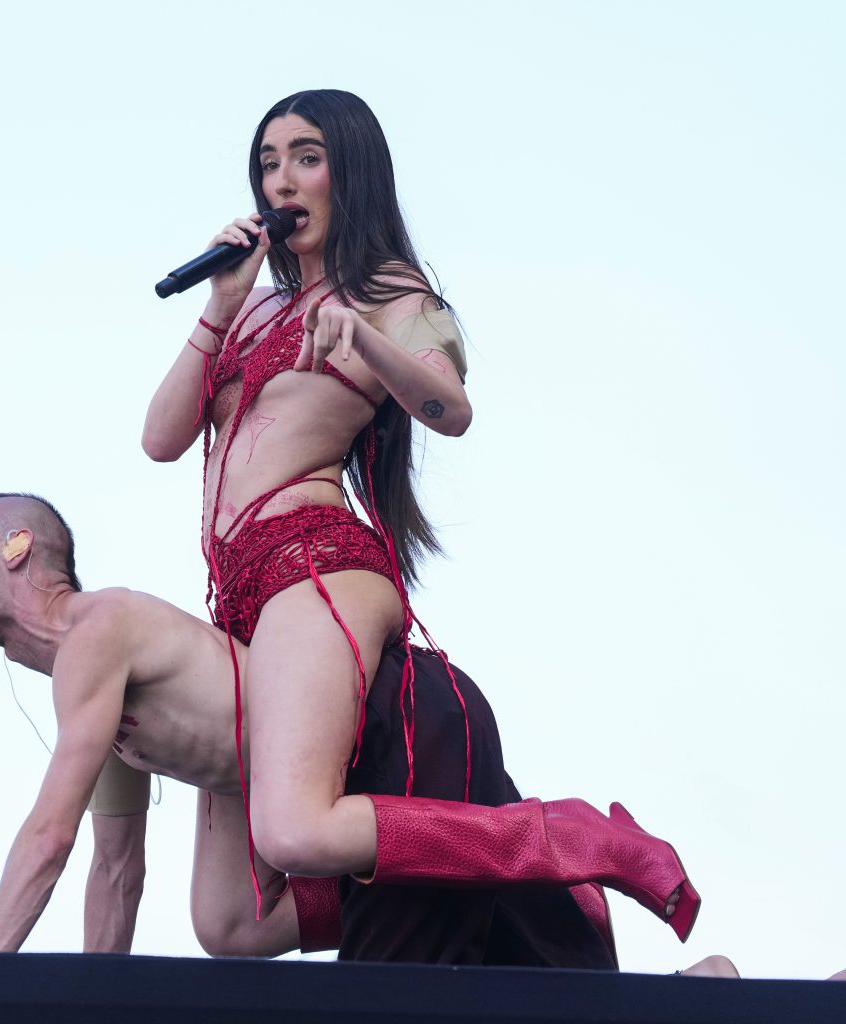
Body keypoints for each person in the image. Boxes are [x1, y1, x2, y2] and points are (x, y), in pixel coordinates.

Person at [141, 89, 698, 944]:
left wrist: (363, 339)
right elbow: (160, 439)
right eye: (267, 163)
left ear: (350, 173)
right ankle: (508, 896)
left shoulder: (389, 293)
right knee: (231, 926)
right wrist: (219, 303)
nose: (281, 181)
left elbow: (451, 410)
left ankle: (561, 839)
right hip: (239, 597)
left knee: (294, 831)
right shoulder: (248, 307)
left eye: (306, 158)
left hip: (315, 567)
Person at [0, 493, 689, 964]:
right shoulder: (95, 696)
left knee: (321, 875)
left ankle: (558, 837)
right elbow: (116, 873)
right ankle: (573, 915)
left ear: (17, 549)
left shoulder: (99, 631)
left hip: (373, 737)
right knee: (228, 927)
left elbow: (47, 837)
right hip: (294, 794)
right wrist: (92, 1005)